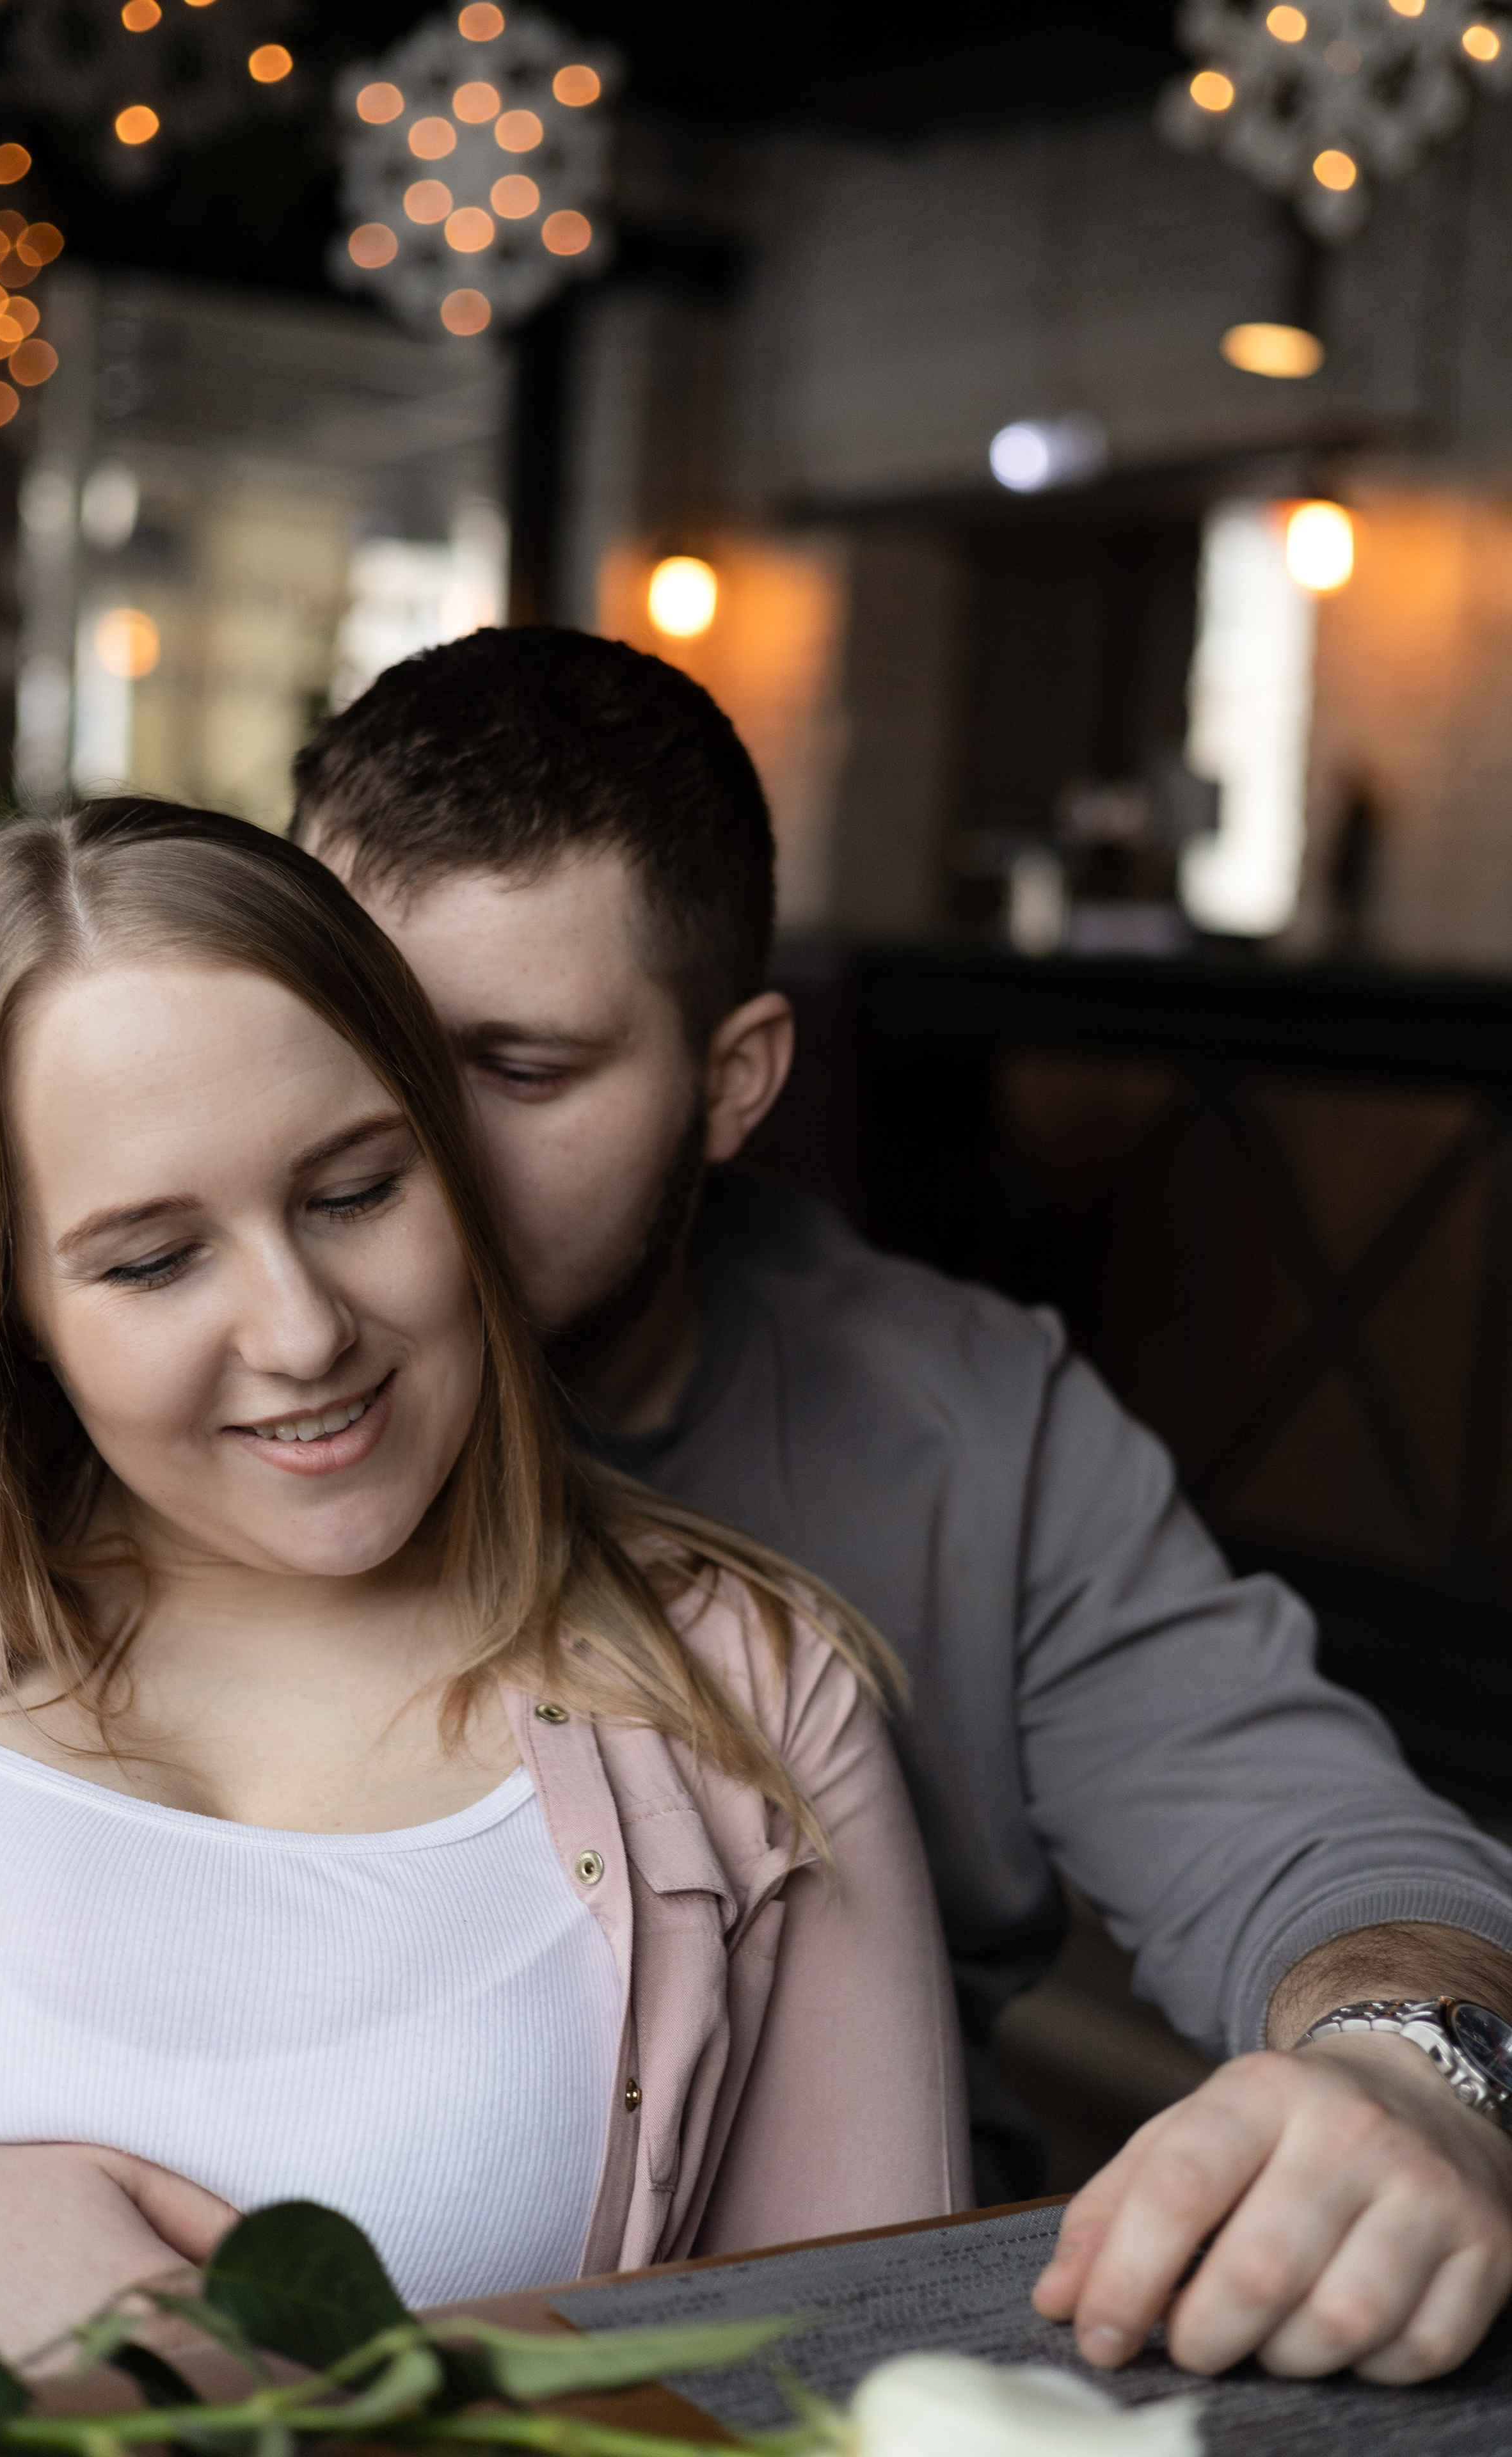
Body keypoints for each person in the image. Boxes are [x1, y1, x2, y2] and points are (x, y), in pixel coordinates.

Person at [292, 626, 1512, 2389]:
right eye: (354, 1038)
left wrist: (1415, 2074)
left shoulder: (969, 1430)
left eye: (522, 1069)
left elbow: (1311, 1838)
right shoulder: (80, 1389)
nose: (401, 1148)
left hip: (863, 2359)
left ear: (735, 1081)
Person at [0, 798, 968, 2361]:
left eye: (353, 1193)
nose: (302, 1331)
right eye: (153, 1260)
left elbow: (862, 2377)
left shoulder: (749, 1706)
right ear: (10, 1308)